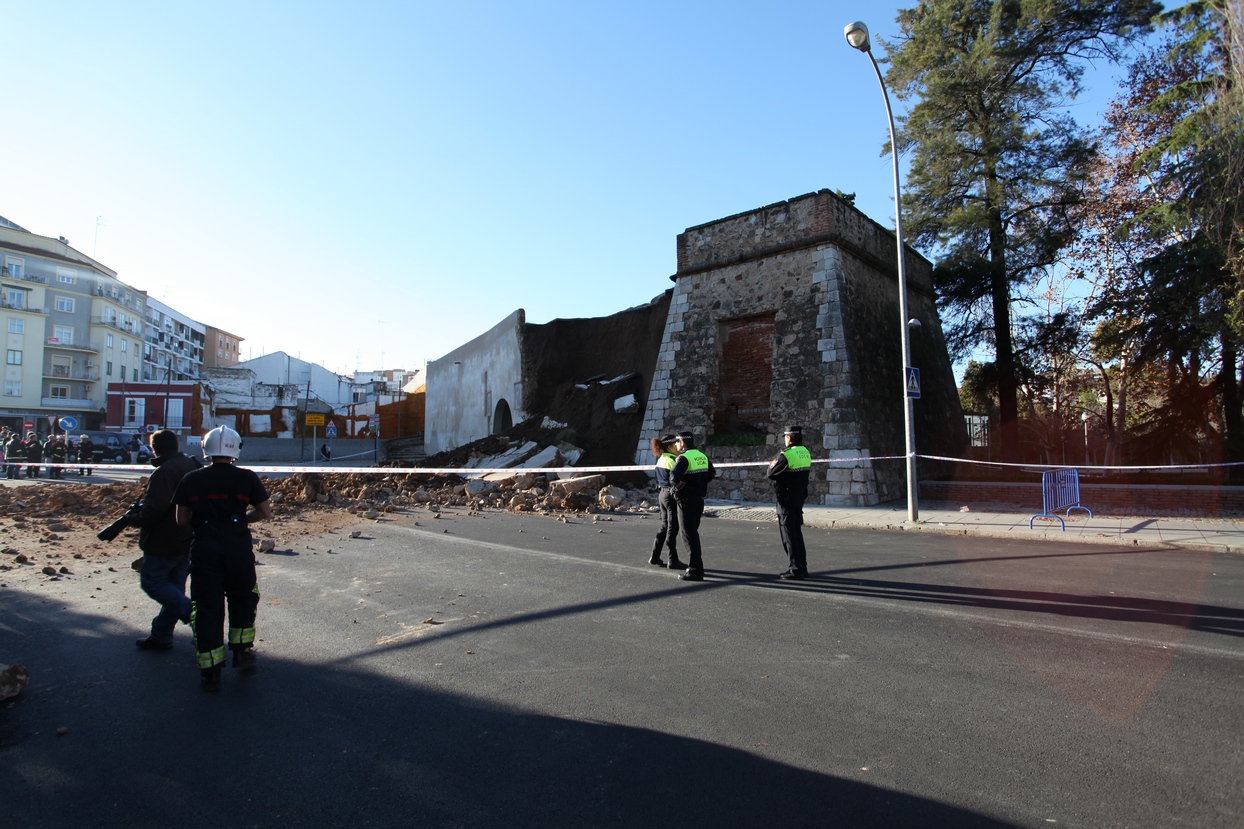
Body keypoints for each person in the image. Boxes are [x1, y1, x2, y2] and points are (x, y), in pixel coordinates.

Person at [173, 426, 272, 692]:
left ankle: (210, 671)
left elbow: (181, 519)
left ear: (206, 449)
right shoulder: (247, 478)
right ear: (235, 449)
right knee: (243, 596)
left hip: (205, 547)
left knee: (206, 606)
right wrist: (241, 519)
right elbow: (265, 512)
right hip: (237, 546)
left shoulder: (191, 479)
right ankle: (241, 651)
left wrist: (205, 523)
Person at [133, 430, 201, 650]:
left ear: (155, 448)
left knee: (153, 582)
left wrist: (137, 520)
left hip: (164, 538)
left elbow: (155, 508)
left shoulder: (164, 472)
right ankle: (161, 634)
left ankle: (194, 615)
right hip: (186, 535)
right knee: (173, 586)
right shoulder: (190, 465)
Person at [768, 425, 812, 580]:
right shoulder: (805, 452)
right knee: (797, 533)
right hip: (799, 497)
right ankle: (802, 566)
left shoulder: (786, 454)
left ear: (789, 438)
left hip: (786, 498)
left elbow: (771, 473)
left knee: (789, 534)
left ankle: (795, 569)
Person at [670, 430, 715, 582]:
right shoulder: (702, 456)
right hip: (699, 499)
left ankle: (695, 570)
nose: (676, 445)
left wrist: (682, 485)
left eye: (677, 442)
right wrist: (699, 484)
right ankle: (697, 567)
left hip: (686, 500)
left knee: (689, 536)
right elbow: (711, 474)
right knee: (693, 533)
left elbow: (673, 478)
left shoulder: (683, 458)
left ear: (682, 442)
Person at [647, 434, 685, 569]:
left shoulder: (661, 459)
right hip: (671, 495)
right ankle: (672, 560)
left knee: (664, 526)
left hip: (662, 494)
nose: (678, 446)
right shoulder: (673, 461)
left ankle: (655, 555)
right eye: (676, 444)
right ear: (669, 446)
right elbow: (677, 480)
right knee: (672, 528)